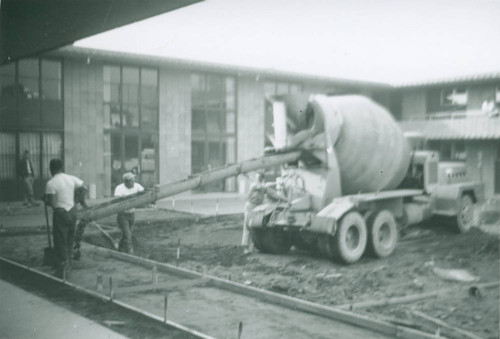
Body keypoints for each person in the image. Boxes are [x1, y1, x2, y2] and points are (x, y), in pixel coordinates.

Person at [44, 159, 87, 278]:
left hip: (61, 212)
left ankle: (63, 268)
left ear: (51, 169)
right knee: (69, 238)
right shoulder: (71, 178)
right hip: (72, 211)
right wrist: (76, 201)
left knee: (60, 240)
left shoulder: (51, 183)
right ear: (62, 167)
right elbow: (84, 188)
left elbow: (52, 203)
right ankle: (70, 264)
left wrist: (45, 200)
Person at [114, 172, 144, 254]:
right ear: (125, 182)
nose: (133, 183)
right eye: (131, 181)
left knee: (127, 234)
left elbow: (144, 192)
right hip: (122, 215)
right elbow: (117, 200)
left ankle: (120, 249)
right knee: (128, 234)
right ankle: (130, 252)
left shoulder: (137, 186)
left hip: (132, 214)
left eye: (134, 180)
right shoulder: (119, 188)